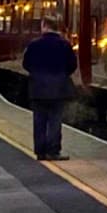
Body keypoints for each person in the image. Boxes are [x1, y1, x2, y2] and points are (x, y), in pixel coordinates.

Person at [22, 15, 77, 161]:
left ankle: (40, 152)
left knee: (39, 120)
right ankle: (53, 151)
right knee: (55, 121)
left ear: (44, 26)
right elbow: (72, 65)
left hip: (38, 89)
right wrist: (61, 75)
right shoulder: (64, 45)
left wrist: (37, 74)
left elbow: (26, 64)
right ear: (56, 27)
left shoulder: (34, 45)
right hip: (58, 89)